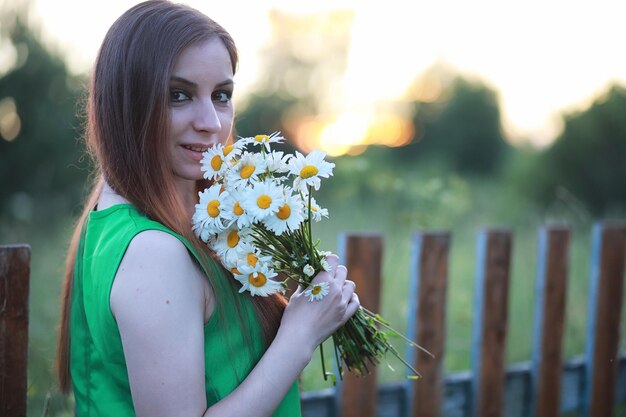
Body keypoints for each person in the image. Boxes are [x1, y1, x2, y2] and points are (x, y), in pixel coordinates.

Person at [55, 1, 360, 416]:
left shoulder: (123, 218)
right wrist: (300, 335)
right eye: (178, 95)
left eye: (221, 95)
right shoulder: (153, 252)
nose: (212, 123)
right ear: (127, 105)